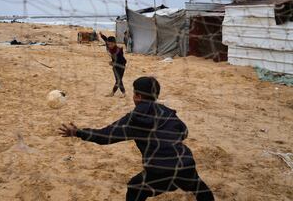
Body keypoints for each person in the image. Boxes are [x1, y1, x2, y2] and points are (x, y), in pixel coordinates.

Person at [59, 77, 215, 201]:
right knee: (201, 190)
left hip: (160, 170)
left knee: (134, 189)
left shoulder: (135, 119)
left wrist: (78, 132)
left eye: (134, 94)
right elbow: (184, 132)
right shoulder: (167, 111)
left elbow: (105, 136)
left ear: (138, 96)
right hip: (185, 162)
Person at [99, 32, 127, 97]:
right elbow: (106, 39)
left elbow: (121, 60)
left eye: (111, 44)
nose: (110, 46)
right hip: (115, 66)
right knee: (118, 80)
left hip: (121, 65)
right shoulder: (108, 45)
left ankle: (118, 93)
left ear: (115, 43)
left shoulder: (118, 50)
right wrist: (102, 35)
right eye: (109, 44)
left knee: (118, 80)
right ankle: (118, 93)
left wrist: (113, 62)